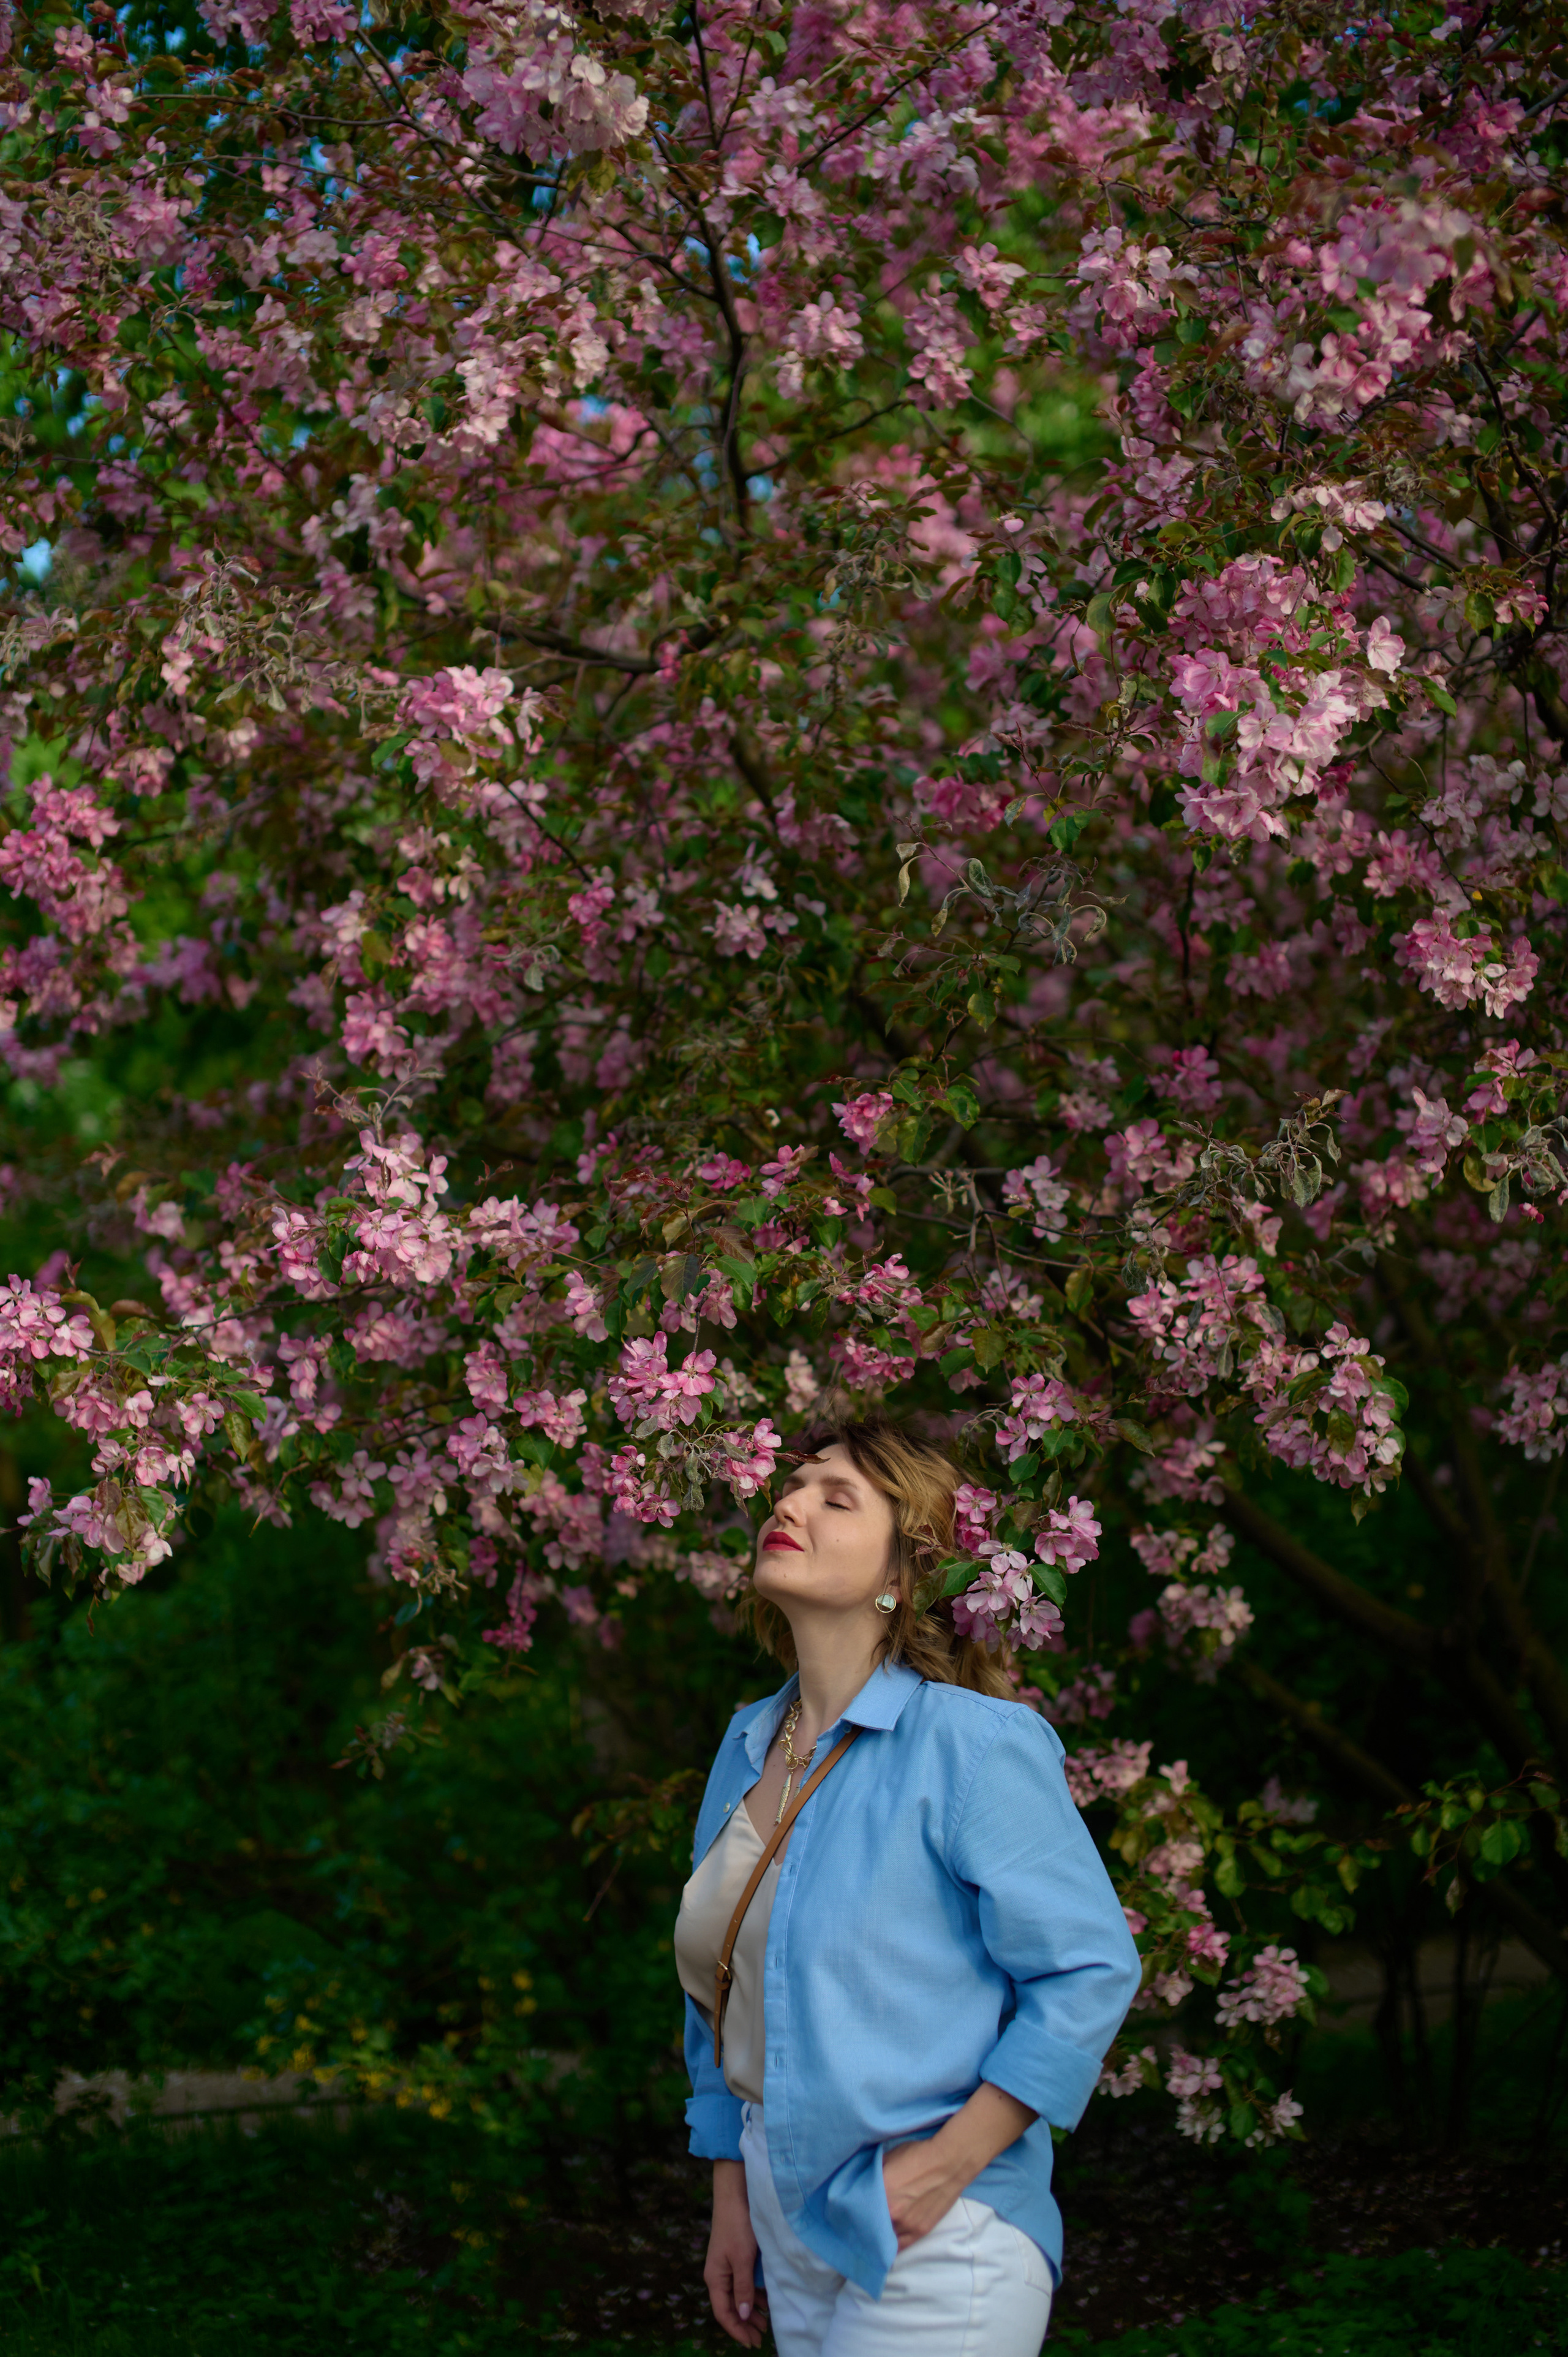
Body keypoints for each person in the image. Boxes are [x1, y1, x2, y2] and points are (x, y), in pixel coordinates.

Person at [673, 1415, 1141, 2356]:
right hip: (781, 2218)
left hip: (939, 2229)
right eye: (790, 1487)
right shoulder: (745, 1745)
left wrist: (943, 2169)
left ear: (902, 1572)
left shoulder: (973, 1745)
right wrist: (732, 2189)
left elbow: (1090, 1970)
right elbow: (719, 1998)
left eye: (836, 1498)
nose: (789, 1505)